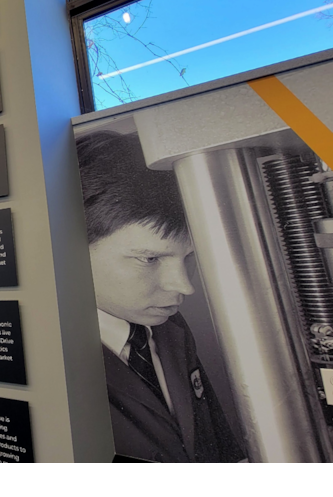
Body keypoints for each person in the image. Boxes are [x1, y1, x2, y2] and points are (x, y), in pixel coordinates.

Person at [78, 131, 245, 464]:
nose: (184, 286)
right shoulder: (44, 362)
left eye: (189, 256)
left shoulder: (168, 327)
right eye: (149, 258)